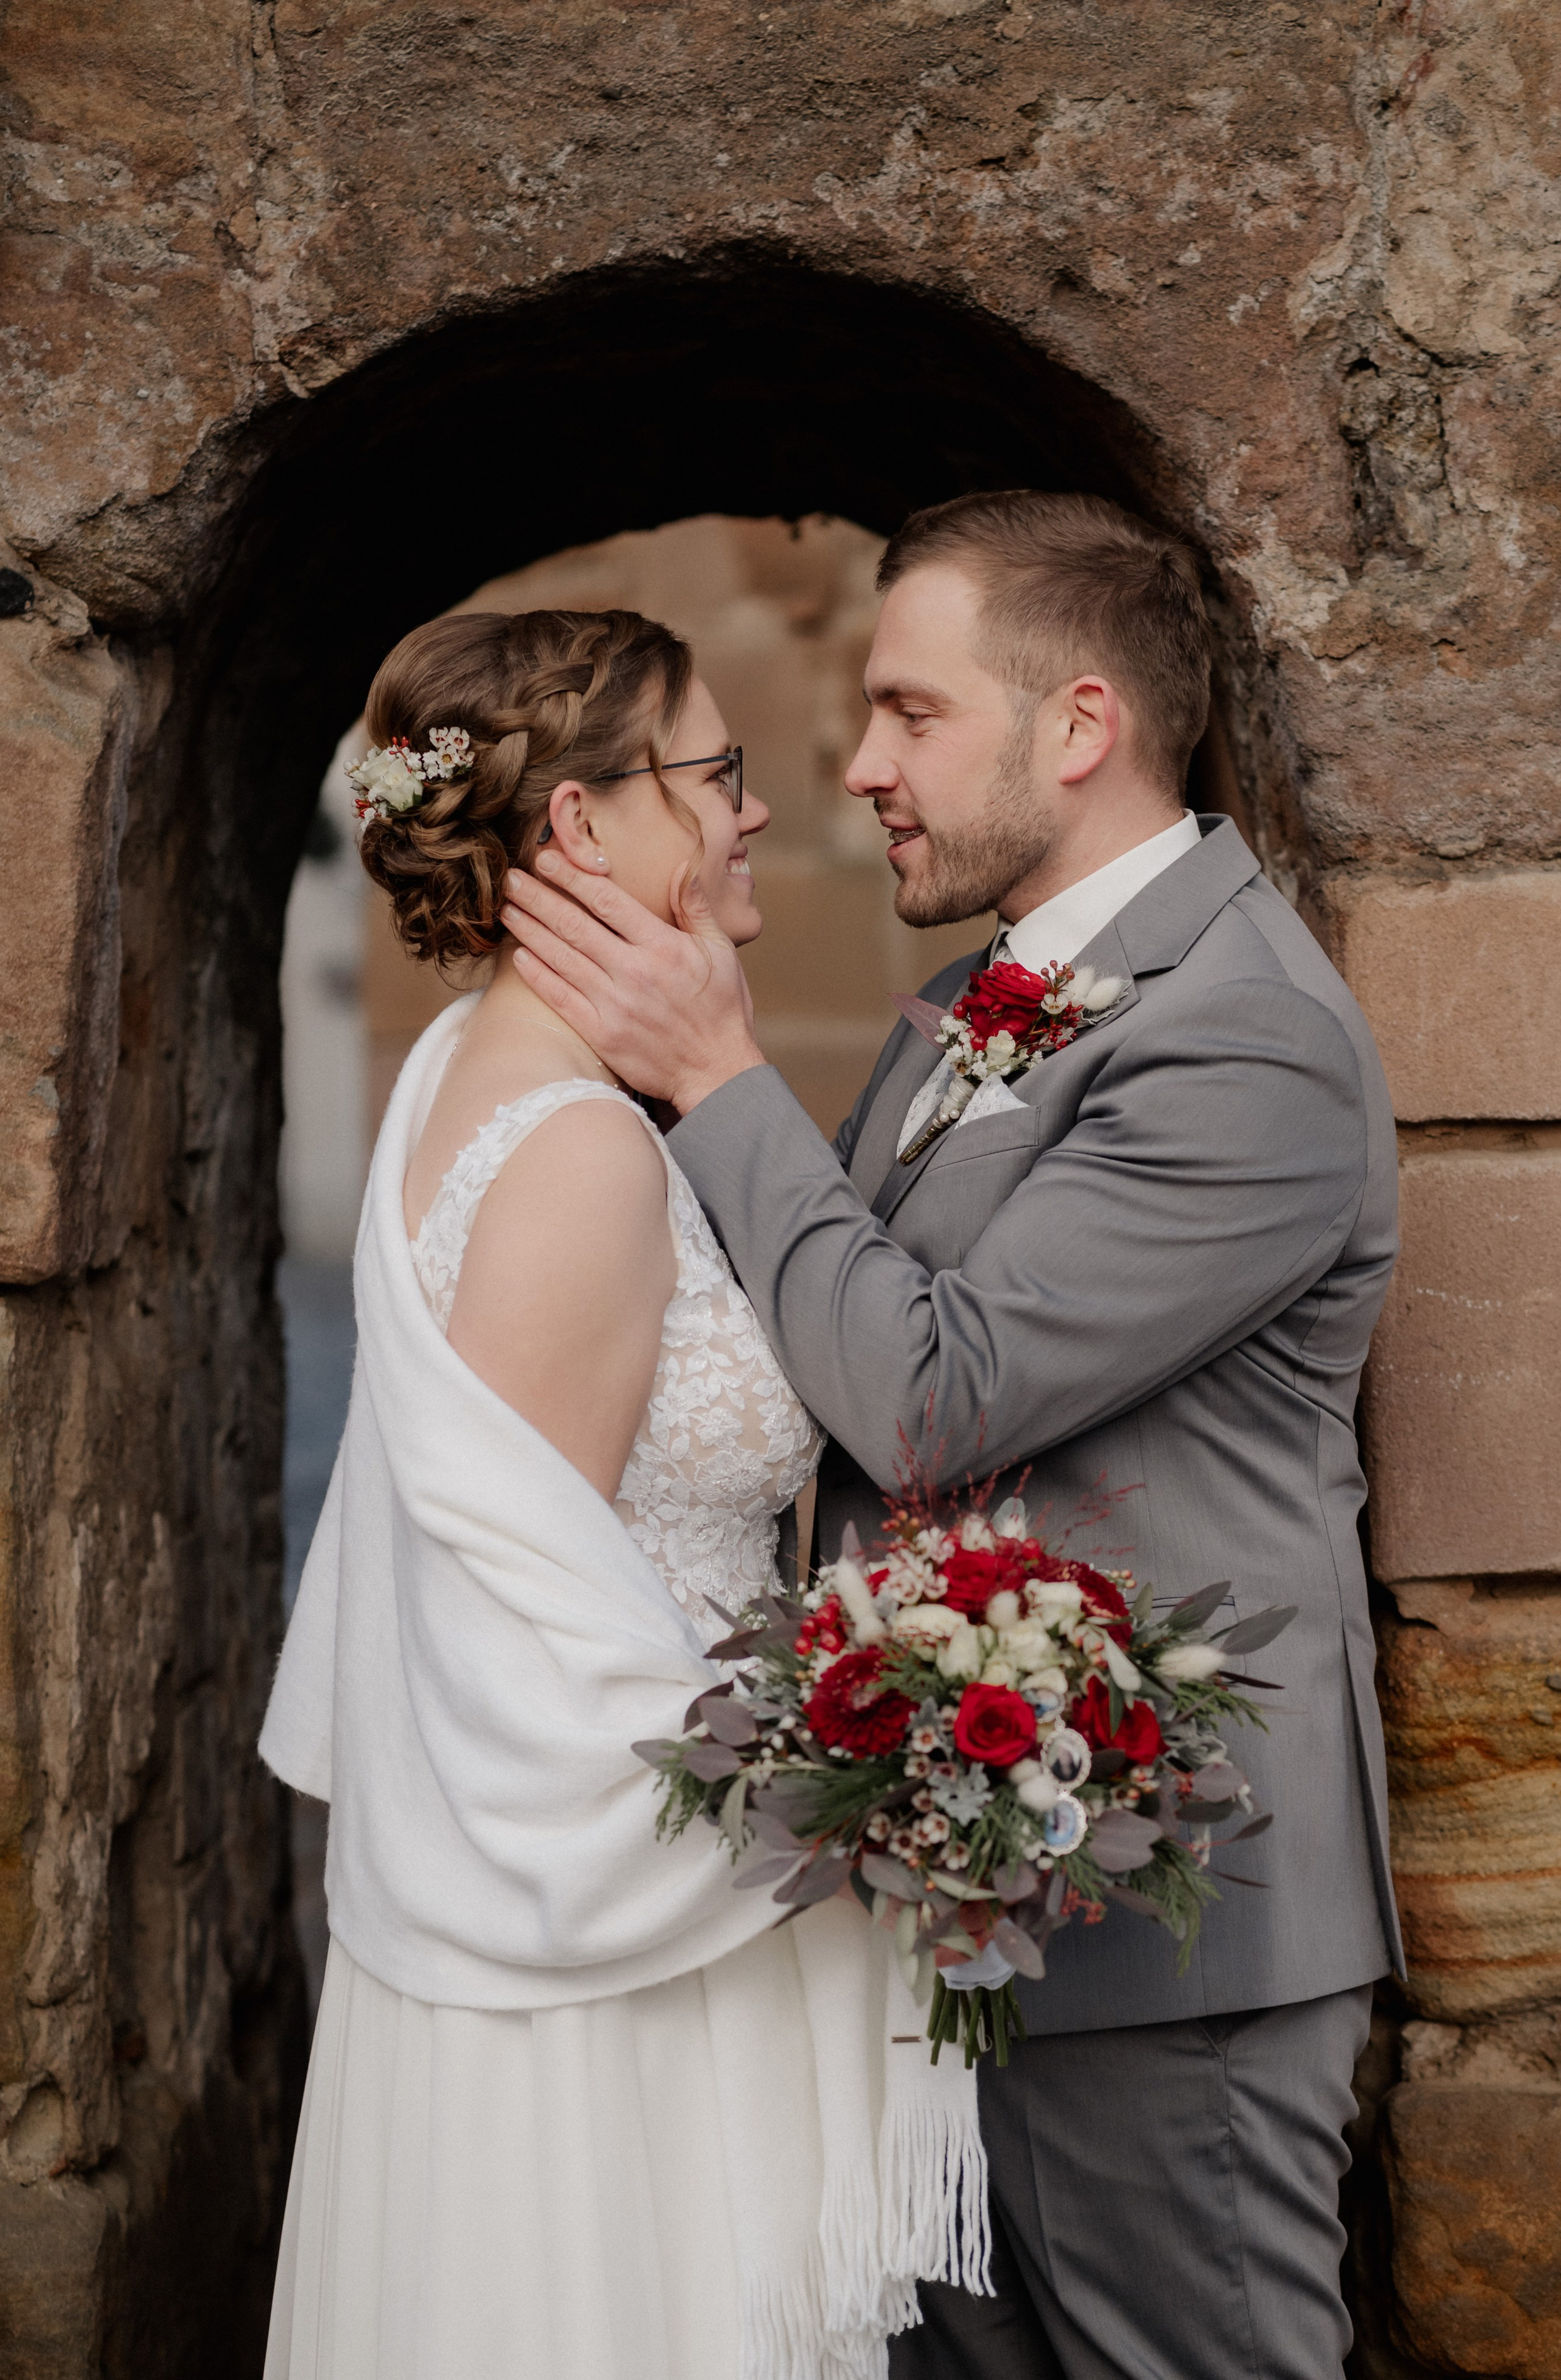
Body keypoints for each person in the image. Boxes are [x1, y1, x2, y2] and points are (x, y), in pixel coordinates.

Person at [503, 492, 1405, 2380]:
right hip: (957, 1898)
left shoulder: (1243, 1035)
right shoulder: (977, 1000)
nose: (860, 768)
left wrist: (716, 1072)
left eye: (911, 712)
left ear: (1078, 726)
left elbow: (931, 1394)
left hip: (1167, 1935)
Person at [258, 608, 989, 2380]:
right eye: (716, 772)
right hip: (613, 1979)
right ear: (584, 824)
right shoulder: (580, 1151)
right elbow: (527, 1639)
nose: (758, 809)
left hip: (635, 1920)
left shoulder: (474, 1065)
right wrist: (870, 1780)